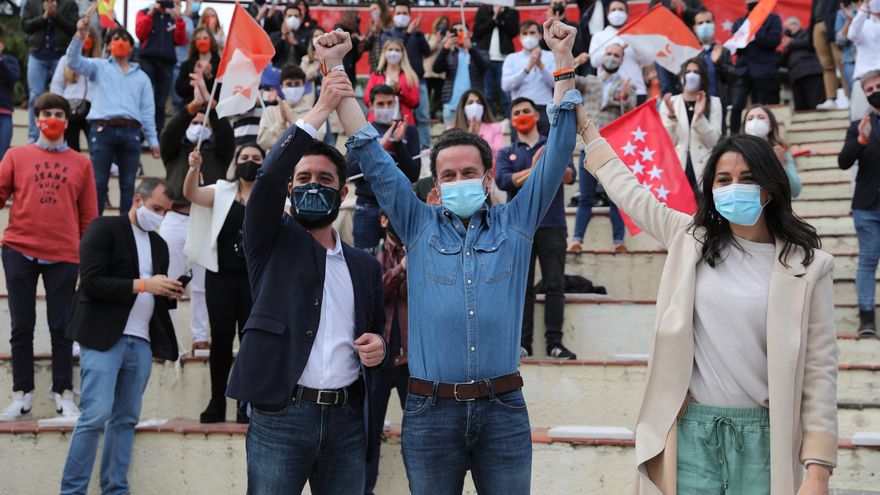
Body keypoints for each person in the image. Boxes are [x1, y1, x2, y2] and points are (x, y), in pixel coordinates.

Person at [327, 20, 580, 492]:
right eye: (449, 174)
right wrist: (336, 69)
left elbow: (561, 144)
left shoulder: (517, 224)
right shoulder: (417, 225)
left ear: (488, 178)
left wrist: (562, 61)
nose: (460, 180)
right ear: (436, 185)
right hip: (429, 414)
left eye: (470, 172)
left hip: (503, 410)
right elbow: (370, 153)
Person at [580, 111, 837, 495]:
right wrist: (586, 129)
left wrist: (818, 469)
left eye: (748, 178)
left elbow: (819, 370)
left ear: (770, 186)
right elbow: (629, 192)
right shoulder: (689, 239)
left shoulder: (810, 266)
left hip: (768, 438)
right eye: (724, 179)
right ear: (711, 189)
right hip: (691, 433)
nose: (735, 187)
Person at [224, 75, 386, 493]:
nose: (314, 185)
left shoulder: (364, 266)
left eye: (326, 179)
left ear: (343, 191)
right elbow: (268, 178)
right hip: (282, 415)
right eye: (304, 178)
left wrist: (379, 346)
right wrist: (319, 111)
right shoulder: (268, 238)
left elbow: (376, 331)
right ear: (290, 189)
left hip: (348, 421)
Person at [60, 178, 181, 495]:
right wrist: (144, 285)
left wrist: (168, 290)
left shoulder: (160, 245)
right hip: (103, 338)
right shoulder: (104, 228)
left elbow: (155, 295)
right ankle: (72, 491)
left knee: (126, 419)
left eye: (166, 212)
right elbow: (91, 282)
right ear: (137, 200)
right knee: (95, 416)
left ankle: (115, 489)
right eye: (156, 208)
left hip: (140, 341)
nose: (160, 216)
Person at [0, 93, 98, 422]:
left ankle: (63, 393)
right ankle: (21, 394)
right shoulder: (16, 155)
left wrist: (88, 257)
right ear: (37, 118)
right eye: (46, 113)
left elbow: (89, 216)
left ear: (67, 122)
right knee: (21, 325)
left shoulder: (82, 163)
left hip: (64, 254)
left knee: (62, 328)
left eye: (59, 113)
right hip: (18, 249)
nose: (52, 118)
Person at [184, 144, 263, 423]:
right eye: (244, 158)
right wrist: (194, 168)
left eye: (256, 158)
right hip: (221, 275)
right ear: (235, 162)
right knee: (220, 338)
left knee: (251, 341)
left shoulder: (272, 194)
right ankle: (217, 400)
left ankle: (246, 402)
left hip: (255, 279)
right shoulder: (221, 191)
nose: (249, 162)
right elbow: (191, 194)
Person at [495, 96, 577, 360]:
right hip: (519, 228)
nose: (521, 114)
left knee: (555, 284)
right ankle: (523, 343)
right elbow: (504, 180)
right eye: (516, 111)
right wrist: (537, 168)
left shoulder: (554, 144)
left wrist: (549, 163)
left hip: (553, 225)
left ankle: (555, 342)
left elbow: (569, 175)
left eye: (526, 110)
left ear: (537, 115)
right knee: (522, 286)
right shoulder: (505, 151)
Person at [160, 73, 233, 352]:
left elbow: (225, 130)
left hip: (207, 219)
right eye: (193, 122)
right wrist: (192, 106)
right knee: (170, 280)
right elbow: (169, 132)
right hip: (176, 217)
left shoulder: (220, 152)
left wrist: (209, 105)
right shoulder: (174, 151)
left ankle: (200, 335)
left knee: (204, 285)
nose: (197, 126)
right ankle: (166, 334)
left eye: (202, 123)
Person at [67, 21, 160, 215]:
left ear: (131, 46)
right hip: (102, 130)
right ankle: (95, 228)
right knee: (98, 183)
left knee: (128, 185)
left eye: (125, 39)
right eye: (115, 39)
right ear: (108, 45)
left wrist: (153, 140)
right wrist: (79, 35)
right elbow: (73, 61)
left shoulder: (142, 77)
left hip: (131, 132)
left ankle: (125, 230)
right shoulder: (98, 67)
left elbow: (147, 112)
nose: (120, 42)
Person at [570, 42, 635, 253]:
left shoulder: (627, 86)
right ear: (602, 56)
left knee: (615, 196)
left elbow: (630, 114)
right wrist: (575, 62)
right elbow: (563, 79)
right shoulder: (590, 81)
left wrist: (624, 98)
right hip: (589, 145)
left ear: (622, 60)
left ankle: (619, 241)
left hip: (612, 148)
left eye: (616, 55)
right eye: (609, 53)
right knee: (586, 196)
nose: (612, 57)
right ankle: (577, 239)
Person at [364, 210, 411, 495]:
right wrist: (402, 268)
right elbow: (374, 294)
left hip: (413, 363)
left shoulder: (424, 253)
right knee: (368, 438)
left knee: (419, 441)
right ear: (383, 220)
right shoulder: (369, 257)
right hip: (378, 364)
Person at [348, 84, 421, 251]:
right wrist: (378, 148)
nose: (386, 108)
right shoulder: (362, 130)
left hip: (399, 204)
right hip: (367, 206)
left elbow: (414, 174)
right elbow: (349, 170)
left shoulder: (408, 130)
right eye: (381, 104)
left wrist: (398, 144)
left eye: (390, 103)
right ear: (371, 105)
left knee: (404, 261)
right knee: (364, 260)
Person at [839, 69, 880, 338]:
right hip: (867, 206)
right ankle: (867, 318)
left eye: (878, 86)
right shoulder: (858, 125)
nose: (875, 92)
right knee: (867, 260)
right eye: (869, 90)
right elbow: (843, 162)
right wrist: (862, 140)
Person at [661, 57, 722, 197]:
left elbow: (713, 141)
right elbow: (667, 143)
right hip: (676, 169)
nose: (691, 75)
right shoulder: (670, 102)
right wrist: (671, 116)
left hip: (702, 170)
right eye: (687, 71)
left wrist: (700, 117)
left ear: (703, 77)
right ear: (681, 76)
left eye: (696, 72)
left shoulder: (714, 103)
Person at [21, 0, 78, 143]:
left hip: (60, 56)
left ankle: (59, 134)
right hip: (37, 55)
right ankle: (34, 137)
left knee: (60, 98)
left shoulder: (69, 3)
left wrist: (56, 15)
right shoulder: (31, 2)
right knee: (35, 96)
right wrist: (44, 16)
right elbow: (25, 26)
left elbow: (73, 28)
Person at [381, 0, 431, 150]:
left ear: (410, 15)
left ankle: (424, 149)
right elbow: (394, 48)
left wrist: (418, 33)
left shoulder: (417, 33)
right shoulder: (388, 33)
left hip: (418, 81)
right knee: (399, 117)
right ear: (393, 15)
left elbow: (427, 51)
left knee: (423, 117)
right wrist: (408, 33)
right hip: (397, 81)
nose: (401, 16)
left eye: (404, 13)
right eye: (398, 13)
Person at [729, 0, 782, 134]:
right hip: (742, 71)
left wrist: (755, 32)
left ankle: (766, 136)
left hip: (764, 71)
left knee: (761, 108)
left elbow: (774, 41)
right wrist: (745, 37)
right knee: (736, 106)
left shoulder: (773, 19)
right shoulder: (740, 23)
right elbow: (734, 46)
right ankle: (735, 137)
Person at [136, 0, 186, 135]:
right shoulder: (144, 12)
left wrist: (179, 19)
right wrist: (151, 13)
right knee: (147, 99)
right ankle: (143, 134)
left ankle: (157, 134)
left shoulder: (172, 17)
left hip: (167, 63)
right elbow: (140, 33)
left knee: (160, 102)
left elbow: (180, 40)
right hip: (148, 61)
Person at [589, 1, 652, 104]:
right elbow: (594, 61)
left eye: (621, 9)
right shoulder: (599, 35)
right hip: (608, 90)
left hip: (636, 90)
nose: (617, 13)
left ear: (627, 13)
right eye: (613, 10)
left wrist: (634, 43)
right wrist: (612, 50)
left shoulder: (636, 34)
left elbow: (647, 61)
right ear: (608, 14)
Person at [49, 27, 100, 152]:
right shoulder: (65, 60)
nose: (86, 39)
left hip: (92, 110)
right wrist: (59, 109)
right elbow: (56, 86)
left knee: (97, 148)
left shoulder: (99, 63)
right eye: (83, 36)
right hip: (69, 108)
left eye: (90, 36)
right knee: (71, 149)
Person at [502, 21, 556, 135]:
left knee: (546, 148)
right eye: (525, 33)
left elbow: (556, 84)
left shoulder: (550, 56)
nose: (529, 36)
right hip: (520, 109)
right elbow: (506, 85)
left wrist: (541, 66)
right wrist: (527, 68)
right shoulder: (512, 58)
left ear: (540, 36)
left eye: (532, 33)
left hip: (543, 109)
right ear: (520, 38)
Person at [433, 24, 490, 127]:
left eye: (461, 30)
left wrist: (471, 49)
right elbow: (436, 68)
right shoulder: (450, 54)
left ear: (469, 34)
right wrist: (445, 47)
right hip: (451, 106)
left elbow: (484, 66)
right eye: (455, 31)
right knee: (451, 140)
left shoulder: (480, 52)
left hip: (473, 106)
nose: (458, 33)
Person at [742, 104, 803, 198]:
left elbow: (796, 191)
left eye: (761, 117)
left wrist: (781, 166)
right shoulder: (736, 151)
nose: (755, 122)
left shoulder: (781, 150)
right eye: (750, 119)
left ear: (771, 126)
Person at [258, 63, 322, 150]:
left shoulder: (315, 113)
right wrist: (281, 123)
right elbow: (263, 142)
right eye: (289, 84)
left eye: (297, 83)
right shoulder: (270, 111)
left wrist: (292, 121)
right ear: (281, 87)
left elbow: (317, 142)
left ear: (304, 87)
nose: (293, 88)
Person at [649, 0, 706, 95]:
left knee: (692, 85)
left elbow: (703, 16)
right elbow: (651, 20)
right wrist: (670, 9)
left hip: (688, 49)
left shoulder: (693, 2)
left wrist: (686, 9)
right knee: (668, 88)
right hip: (665, 50)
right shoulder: (657, 1)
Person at [473, 4, 520, 117]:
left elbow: (513, 32)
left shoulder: (512, 12)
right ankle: (488, 120)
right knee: (486, 94)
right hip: (485, 58)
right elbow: (477, 32)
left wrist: (501, 15)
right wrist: (494, 16)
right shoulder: (483, 10)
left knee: (506, 94)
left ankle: (510, 121)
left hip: (504, 59)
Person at [692, 9, 734, 133]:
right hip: (695, 104)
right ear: (694, 28)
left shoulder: (723, 51)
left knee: (719, 138)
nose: (704, 26)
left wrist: (718, 63)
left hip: (719, 104)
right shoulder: (690, 51)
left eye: (708, 22)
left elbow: (732, 77)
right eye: (700, 23)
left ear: (714, 25)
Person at [364, 39, 420, 126]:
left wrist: (400, 91)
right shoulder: (376, 74)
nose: (393, 53)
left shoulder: (410, 75)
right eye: (390, 49)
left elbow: (415, 102)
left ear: (402, 54)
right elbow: (367, 98)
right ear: (385, 52)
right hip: (378, 122)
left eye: (397, 50)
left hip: (402, 122)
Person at [780, 16, 825, 111]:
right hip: (795, 77)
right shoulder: (789, 43)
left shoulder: (807, 33)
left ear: (794, 25)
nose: (785, 30)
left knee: (816, 103)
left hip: (811, 73)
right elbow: (781, 61)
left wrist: (791, 42)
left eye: (787, 27)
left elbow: (809, 43)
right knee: (800, 108)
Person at [846, 0, 880, 121]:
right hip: (864, 79)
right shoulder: (863, 24)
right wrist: (864, 8)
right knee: (859, 120)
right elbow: (852, 34)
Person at [450, 89, 505, 157]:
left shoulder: (495, 127)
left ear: (483, 107)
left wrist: (478, 139)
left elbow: (500, 154)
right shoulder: (452, 130)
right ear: (463, 108)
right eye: (470, 103)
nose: (475, 105)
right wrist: (468, 138)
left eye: (479, 102)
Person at [812, 0, 845, 110]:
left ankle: (849, 96)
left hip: (834, 22)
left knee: (841, 62)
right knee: (826, 65)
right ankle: (831, 98)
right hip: (818, 24)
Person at [174, 27, 220, 106]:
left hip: (212, 110)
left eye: (205, 38)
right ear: (194, 43)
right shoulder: (186, 64)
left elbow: (221, 92)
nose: (202, 41)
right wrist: (195, 76)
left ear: (211, 41)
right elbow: (179, 90)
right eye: (198, 39)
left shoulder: (220, 64)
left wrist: (209, 76)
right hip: (191, 108)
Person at [0, 27, 21, 158]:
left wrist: (1, 61)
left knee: (3, 156)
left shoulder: (10, 60)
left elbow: (12, 78)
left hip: (4, 114)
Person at [171, 0, 195, 112]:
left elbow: (189, 37)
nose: (176, 7)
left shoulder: (187, 21)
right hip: (169, 64)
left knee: (180, 100)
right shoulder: (165, 18)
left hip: (182, 64)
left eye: (178, 4)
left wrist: (181, 18)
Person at [424, 16, 448, 120]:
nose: (443, 26)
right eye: (441, 23)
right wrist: (437, 41)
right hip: (428, 72)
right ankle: (426, 115)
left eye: (445, 24)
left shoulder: (447, 39)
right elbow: (426, 52)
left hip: (441, 73)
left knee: (438, 97)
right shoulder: (428, 37)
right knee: (426, 95)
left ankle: (434, 114)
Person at [362, 0, 393, 73]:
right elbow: (365, 47)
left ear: (382, 9)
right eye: (371, 11)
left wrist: (382, 28)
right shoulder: (371, 27)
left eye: (375, 9)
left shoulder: (390, 24)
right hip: (374, 68)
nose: (373, 12)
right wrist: (372, 33)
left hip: (389, 67)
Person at [835, 0, 858, 95]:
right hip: (851, 61)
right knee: (854, 97)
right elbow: (839, 42)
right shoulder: (842, 14)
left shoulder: (873, 11)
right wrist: (849, 20)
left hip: (871, 61)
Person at [334, 11, 362, 86]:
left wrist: (360, 46)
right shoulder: (340, 26)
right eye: (356, 17)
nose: (358, 20)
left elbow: (356, 56)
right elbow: (338, 36)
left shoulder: (357, 31)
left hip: (351, 70)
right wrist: (351, 38)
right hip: (340, 67)